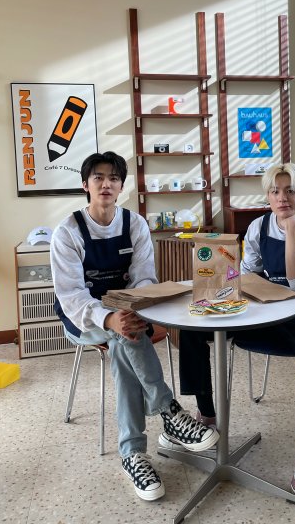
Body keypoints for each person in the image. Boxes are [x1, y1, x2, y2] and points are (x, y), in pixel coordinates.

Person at [166, 163, 295, 524]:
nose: (282, 197)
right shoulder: (258, 227)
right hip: (264, 310)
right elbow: (248, 274)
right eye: (275, 191)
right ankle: (206, 419)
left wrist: (291, 231)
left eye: (290, 190)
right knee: (195, 328)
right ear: (267, 195)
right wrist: (218, 285)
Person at [50, 151, 219, 502]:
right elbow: (71, 296)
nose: (106, 184)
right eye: (98, 177)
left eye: (113, 178)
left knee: (124, 339)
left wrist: (135, 308)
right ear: (85, 185)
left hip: (127, 311)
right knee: (123, 335)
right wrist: (110, 318)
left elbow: (144, 278)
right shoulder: (68, 232)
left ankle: (133, 454)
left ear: (121, 186)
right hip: (83, 317)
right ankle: (168, 410)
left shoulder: (135, 224)